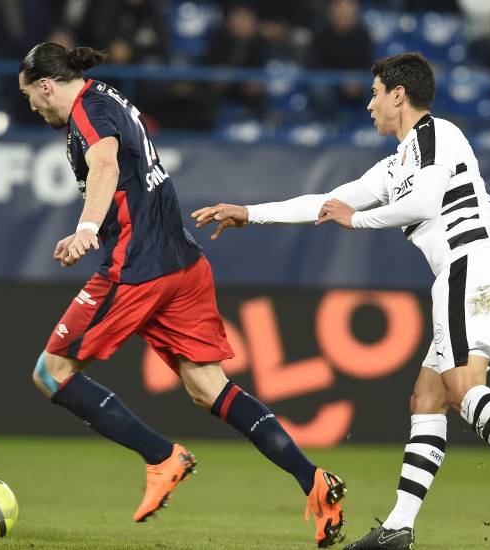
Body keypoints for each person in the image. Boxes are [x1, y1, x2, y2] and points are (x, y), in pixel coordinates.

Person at [192, 52, 490, 549]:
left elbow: (423, 204)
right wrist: (250, 213)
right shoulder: (397, 164)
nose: (369, 104)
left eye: (374, 93)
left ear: (399, 95)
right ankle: (398, 526)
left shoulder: (435, 133)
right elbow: (326, 202)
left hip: (469, 264)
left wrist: (361, 220)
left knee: (461, 387)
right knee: (429, 397)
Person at [17, 42, 347, 547]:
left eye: (30, 97)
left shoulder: (88, 110)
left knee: (51, 371)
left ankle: (161, 456)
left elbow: (104, 166)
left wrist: (86, 227)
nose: (32, 107)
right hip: (182, 264)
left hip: (138, 266)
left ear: (45, 85)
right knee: (206, 386)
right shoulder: (108, 98)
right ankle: (314, 481)